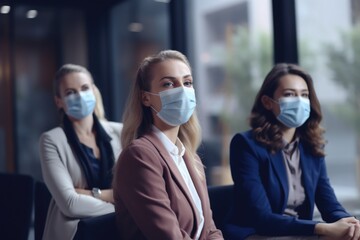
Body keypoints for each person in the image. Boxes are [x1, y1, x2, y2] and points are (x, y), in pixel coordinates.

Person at [224, 63, 360, 240]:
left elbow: (329, 204)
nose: (299, 100)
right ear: (267, 102)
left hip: (299, 233)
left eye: (304, 95)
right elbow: (262, 218)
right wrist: (323, 228)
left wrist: (349, 224)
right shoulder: (246, 145)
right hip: (258, 234)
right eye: (289, 94)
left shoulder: (311, 146)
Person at [112, 50, 224, 240]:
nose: (182, 90)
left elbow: (209, 229)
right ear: (146, 98)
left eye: (187, 82)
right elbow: (169, 237)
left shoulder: (190, 157)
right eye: (168, 84)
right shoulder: (139, 155)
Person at [39, 64, 123, 240]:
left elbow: (135, 187)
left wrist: (90, 193)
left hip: (120, 228)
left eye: (85, 88)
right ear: (59, 101)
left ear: (93, 91)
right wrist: (124, 205)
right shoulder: (51, 140)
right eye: (70, 92)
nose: (79, 96)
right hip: (78, 231)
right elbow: (70, 204)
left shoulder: (120, 132)